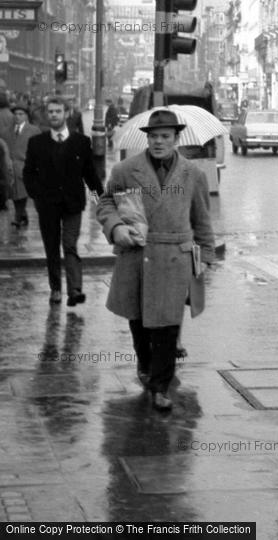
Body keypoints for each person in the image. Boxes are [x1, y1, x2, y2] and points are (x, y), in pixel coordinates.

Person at [96, 109, 215, 411]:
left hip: (174, 257)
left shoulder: (192, 174)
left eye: (165, 137)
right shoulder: (125, 170)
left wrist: (206, 255)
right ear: (146, 138)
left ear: (177, 139)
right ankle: (146, 366)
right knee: (139, 323)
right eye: (153, 137)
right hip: (137, 255)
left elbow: (202, 218)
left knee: (167, 326)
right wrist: (116, 227)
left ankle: (160, 386)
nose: (159, 142)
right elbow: (107, 202)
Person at [23, 96, 103, 306]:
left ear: (66, 113)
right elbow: (28, 173)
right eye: (50, 112)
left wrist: (100, 201)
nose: (54, 115)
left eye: (58, 111)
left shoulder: (81, 143)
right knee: (51, 247)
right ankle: (56, 289)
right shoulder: (37, 143)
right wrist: (36, 196)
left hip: (73, 205)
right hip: (47, 206)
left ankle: (75, 290)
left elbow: (90, 176)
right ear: (46, 115)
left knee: (69, 245)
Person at [6, 102, 40, 228]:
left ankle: (18, 216)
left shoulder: (34, 131)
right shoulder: (6, 131)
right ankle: (22, 214)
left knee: (21, 192)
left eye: (21, 114)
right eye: (15, 114)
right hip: (10, 168)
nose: (17, 116)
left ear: (26, 116)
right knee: (14, 194)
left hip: (26, 167)